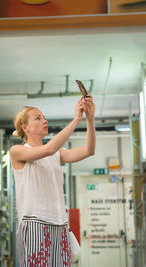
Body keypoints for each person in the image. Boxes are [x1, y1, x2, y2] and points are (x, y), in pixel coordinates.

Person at [10, 95, 96, 266]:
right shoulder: (17, 151)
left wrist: (90, 120)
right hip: (34, 224)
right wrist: (75, 120)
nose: (44, 121)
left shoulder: (57, 154)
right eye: (38, 117)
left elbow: (88, 151)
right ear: (24, 126)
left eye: (44, 117)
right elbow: (49, 149)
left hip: (60, 224)